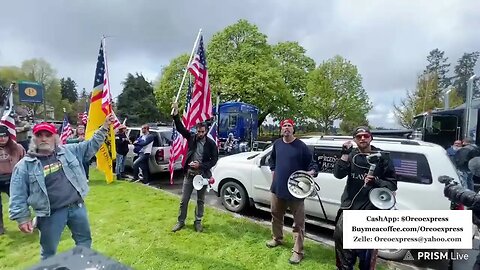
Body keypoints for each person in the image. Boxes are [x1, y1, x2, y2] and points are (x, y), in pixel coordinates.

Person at [8, 114, 114, 260]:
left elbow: (91, 145)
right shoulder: (24, 166)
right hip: (51, 213)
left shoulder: (69, 151)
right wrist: (22, 218)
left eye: (48, 135)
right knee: (49, 252)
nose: (44, 138)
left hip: (77, 207)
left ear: (55, 137)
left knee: (84, 242)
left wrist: (105, 127)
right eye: (39, 135)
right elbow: (17, 194)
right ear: (34, 138)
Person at [332, 126, 397, 270]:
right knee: (343, 251)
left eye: (365, 136)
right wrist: (344, 153)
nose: (362, 138)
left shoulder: (382, 157)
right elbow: (338, 174)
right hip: (349, 208)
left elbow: (392, 184)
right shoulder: (352, 155)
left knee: (366, 256)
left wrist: (376, 182)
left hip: (371, 210)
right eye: (359, 136)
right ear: (355, 139)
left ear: (371, 138)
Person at [266, 119, 318, 264]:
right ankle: (277, 239)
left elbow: (312, 164)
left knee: (298, 223)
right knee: (276, 215)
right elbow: (272, 161)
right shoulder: (277, 144)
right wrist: (273, 172)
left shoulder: (301, 146)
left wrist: (311, 172)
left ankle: (298, 252)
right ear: (281, 129)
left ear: (293, 129)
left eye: (289, 126)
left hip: (296, 191)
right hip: (277, 188)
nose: (286, 128)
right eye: (284, 126)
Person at [171, 102, 219, 233]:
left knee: (200, 200)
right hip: (189, 174)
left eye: (202, 132)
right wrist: (176, 115)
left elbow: (214, 160)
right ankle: (180, 222)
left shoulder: (211, 144)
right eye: (198, 131)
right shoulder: (192, 137)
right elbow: (181, 129)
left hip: (202, 176)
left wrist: (201, 165)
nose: (200, 134)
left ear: (206, 131)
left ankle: (198, 222)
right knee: (184, 200)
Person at [0, 125, 26, 235]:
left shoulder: (17, 147)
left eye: (4, 136)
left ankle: (26, 223)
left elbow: (25, 162)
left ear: (8, 136)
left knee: (19, 202)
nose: (2, 139)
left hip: (13, 178)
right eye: (0, 136)